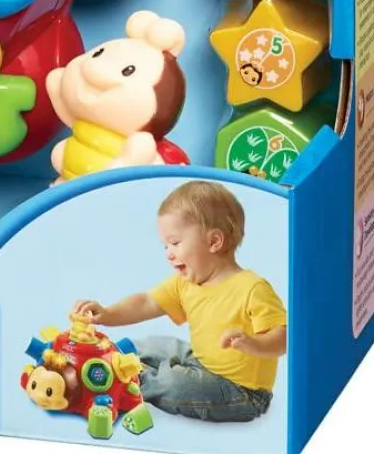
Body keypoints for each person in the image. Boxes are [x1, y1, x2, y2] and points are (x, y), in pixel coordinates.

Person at [73, 180, 287, 423]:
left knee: (176, 383)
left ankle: (127, 379)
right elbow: (147, 302)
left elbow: (283, 337)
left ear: (214, 241)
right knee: (159, 343)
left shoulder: (252, 288)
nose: (168, 253)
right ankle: (115, 355)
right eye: (165, 246)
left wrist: (253, 344)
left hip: (241, 393)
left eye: (175, 243)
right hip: (201, 362)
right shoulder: (186, 282)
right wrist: (108, 313)